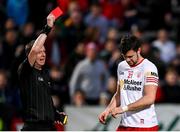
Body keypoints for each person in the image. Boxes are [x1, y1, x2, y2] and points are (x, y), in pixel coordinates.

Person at [98, 34, 159, 131]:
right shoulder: (121, 66)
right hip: (125, 124)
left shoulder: (149, 67)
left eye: (130, 56)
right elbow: (119, 94)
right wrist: (108, 110)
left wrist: (123, 108)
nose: (127, 60)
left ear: (138, 50)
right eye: (124, 56)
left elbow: (149, 98)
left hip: (144, 126)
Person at [17, 13, 67, 131]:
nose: (43, 54)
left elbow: (46, 101)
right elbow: (34, 49)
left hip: (49, 127)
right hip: (33, 127)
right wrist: (48, 27)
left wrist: (57, 115)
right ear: (31, 55)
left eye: (44, 51)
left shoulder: (45, 73)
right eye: (40, 52)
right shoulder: (25, 71)